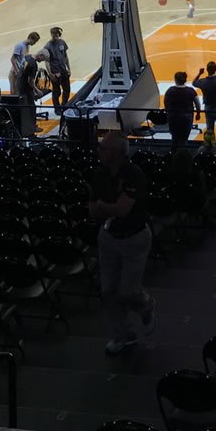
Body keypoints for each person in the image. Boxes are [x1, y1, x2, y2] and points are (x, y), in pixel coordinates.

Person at [89, 131, 155, 356]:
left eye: (103, 148)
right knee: (108, 291)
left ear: (116, 153)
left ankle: (146, 304)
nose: (98, 151)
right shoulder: (99, 173)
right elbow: (92, 208)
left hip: (134, 237)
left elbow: (122, 210)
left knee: (128, 291)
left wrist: (104, 207)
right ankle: (123, 334)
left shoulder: (134, 174)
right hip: (108, 236)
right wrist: (111, 208)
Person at [163, 70, 199, 149]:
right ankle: (183, 156)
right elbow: (197, 103)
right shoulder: (191, 91)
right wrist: (198, 113)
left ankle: (174, 156)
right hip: (186, 118)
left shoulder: (170, 91)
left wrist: (168, 113)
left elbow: (165, 102)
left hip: (173, 117)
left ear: (175, 80)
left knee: (175, 138)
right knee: (184, 139)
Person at [41, 26, 71, 111]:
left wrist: (69, 68)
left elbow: (65, 56)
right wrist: (50, 73)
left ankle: (64, 104)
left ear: (59, 34)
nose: (55, 36)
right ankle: (57, 108)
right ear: (51, 34)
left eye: (56, 34)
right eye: (53, 34)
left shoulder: (62, 42)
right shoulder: (48, 46)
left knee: (67, 89)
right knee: (56, 91)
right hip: (55, 71)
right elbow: (46, 61)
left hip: (63, 70)